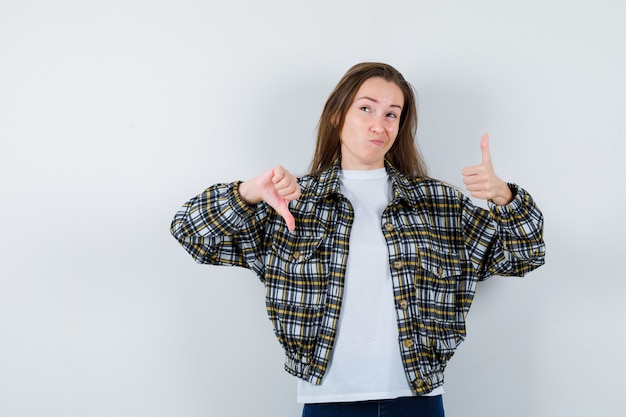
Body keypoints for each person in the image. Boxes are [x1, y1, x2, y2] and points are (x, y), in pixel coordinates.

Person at [170, 62, 545, 417]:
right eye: (366, 108)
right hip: (329, 399)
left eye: (391, 113)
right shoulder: (295, 202)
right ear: (338, 115)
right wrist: (249, 190)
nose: (378, 124)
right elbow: (190, 232)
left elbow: (522, 256)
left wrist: (505, 198)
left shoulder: (438, 204)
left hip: (416, 399)